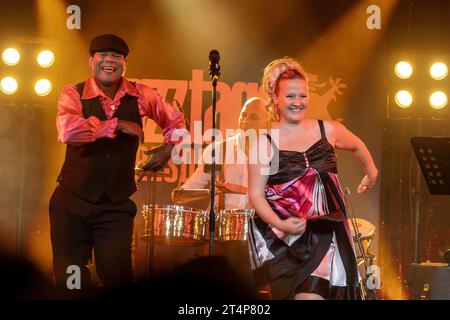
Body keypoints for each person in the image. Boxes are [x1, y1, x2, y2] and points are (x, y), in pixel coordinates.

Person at [49, 34, 186, 292]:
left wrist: (169, 150)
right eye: (102, 55)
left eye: (116, 56)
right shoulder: (73, 92)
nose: (109, 61)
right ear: (91, 60)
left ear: (124, 63)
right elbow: (67, 132)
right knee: (71, 283)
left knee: (118, 281)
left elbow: (177, 121)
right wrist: (118, 125)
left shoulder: (141, 94)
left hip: (115, 206)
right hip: (71, 205)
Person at [247, 57, 378, 300]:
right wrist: (283, 224)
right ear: (275, 98)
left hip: (327, 233)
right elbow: (255, 196)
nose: (298, 103)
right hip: (287, 242)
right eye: (290, 97)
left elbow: (358, 146)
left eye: (303, 96)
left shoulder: (326, 130)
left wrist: (371, 173)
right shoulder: (263, 143)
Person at [171, 97, 272, 292]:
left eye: (253, 117)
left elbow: (282, 197)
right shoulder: (219, 149)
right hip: (220, 231)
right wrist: (180, 194)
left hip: (259, 231)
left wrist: (241, 190)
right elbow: (195, 185)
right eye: (243, 115)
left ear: (267, 122)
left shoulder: (275, 153)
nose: (245, 121)